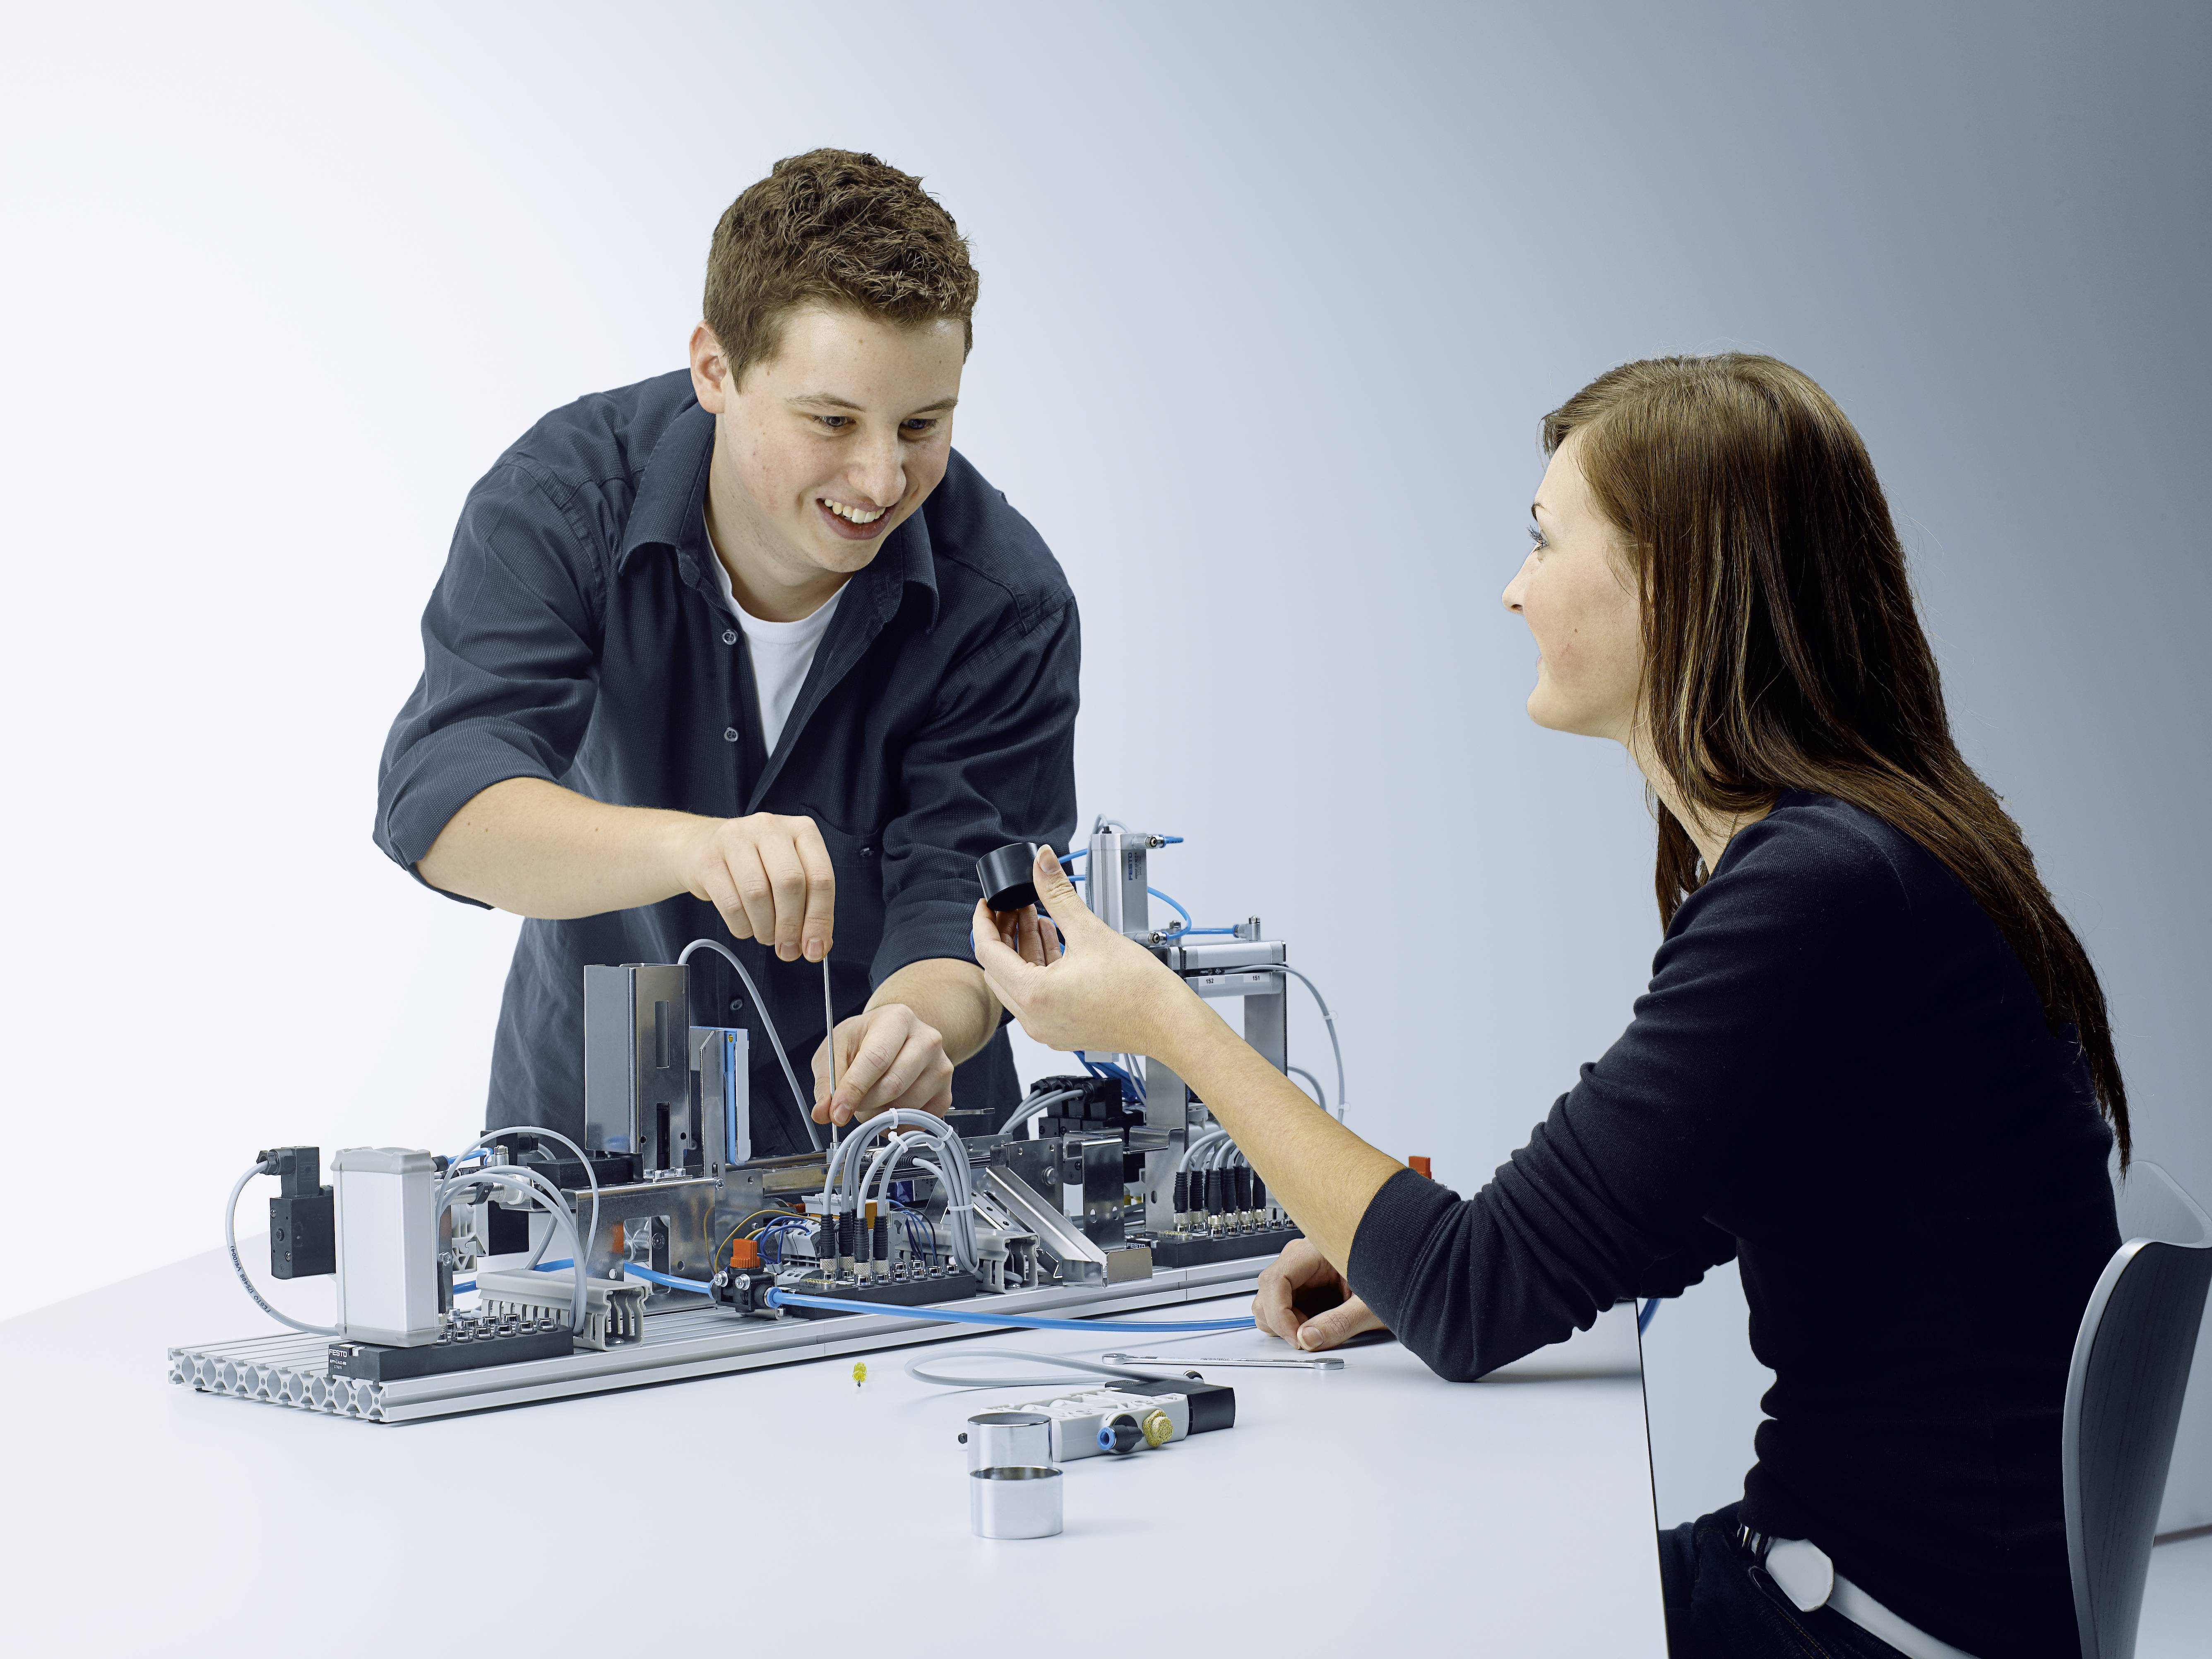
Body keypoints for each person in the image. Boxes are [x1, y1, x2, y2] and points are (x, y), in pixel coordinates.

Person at [972, 354, 2122, 1659]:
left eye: (1542, 538)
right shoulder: (1871, 856)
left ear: (1673, 580)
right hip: (1874, 1590)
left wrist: (1163, 1019)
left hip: (1853, 1628)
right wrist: (1413, 1261)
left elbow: (1474, 1298)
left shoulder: (1816, 891)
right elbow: (1629, 1226)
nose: (1513, 588)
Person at [376, 149, 1078, 1153]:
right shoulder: (560, 503)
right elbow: (442, 807)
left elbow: (970, 903)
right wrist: (692, 849)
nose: (881, 479)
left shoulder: (1006, 601)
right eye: (831, 420)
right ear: (715, 370)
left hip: (892, 1161)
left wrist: (913, 1025)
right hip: (592, 1146)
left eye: (921, 425)